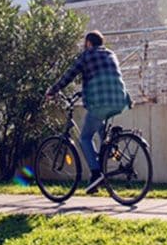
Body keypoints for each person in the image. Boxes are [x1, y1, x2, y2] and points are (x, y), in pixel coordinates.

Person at [46, 31, 132, 194]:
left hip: (100, 103)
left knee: (85, 137)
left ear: (89, 43)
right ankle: (110, 150)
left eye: (85, 44)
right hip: (119, 101)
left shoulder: (86, 56)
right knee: (101, 133)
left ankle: (96, 174)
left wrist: (52, 91)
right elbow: (104, 77)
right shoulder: (110, 54)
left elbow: (69, 76)